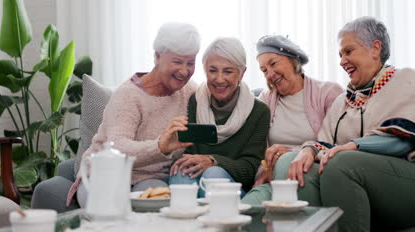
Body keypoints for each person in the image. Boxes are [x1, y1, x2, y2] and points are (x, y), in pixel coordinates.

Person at [282, 17, 415, 231]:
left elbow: (404, 141)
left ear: (375, 48)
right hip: (355, 171)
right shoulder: (343, 101)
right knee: (294, 163)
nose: (342, 61)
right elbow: (325, 144)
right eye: (340, 55)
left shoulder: (406, 80)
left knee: (341, 163)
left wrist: (354, 145)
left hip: (405, 179)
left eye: (348, 51)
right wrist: (308, 150)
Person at [66, 22, 201, 208]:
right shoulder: (128, 95)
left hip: (152, 177)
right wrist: (160, 146)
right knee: (106, 209)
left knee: (156, 207)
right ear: (157, 56)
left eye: (190, 63)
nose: (184, 71)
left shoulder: (190, 91)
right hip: (106, 173)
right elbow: (117, 148)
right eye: (177, 62)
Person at [242, 35, 342, 205]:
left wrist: (293, 154)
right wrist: (267, 168)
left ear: (294, 59)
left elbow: (341, 145)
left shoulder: (328, 92)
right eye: (264, 70)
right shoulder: (265, 99)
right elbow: (259, 152)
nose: (270, 74)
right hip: (275, 178)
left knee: (287, 163)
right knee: (248, 208)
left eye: (273, 64)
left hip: (314, 176)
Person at [168, 37, 270, 197]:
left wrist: (213, 160)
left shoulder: (259, 111)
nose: (219, 79)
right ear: (204, 70)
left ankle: (216, 221)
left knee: (213, 174)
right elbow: (188, 151)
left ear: (242, 73)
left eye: (228, 71)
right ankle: (185, 219)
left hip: (234, 187)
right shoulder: (194, 101)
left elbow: (250, 168)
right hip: (197, 179)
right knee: (181, 170)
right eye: (213, 70)